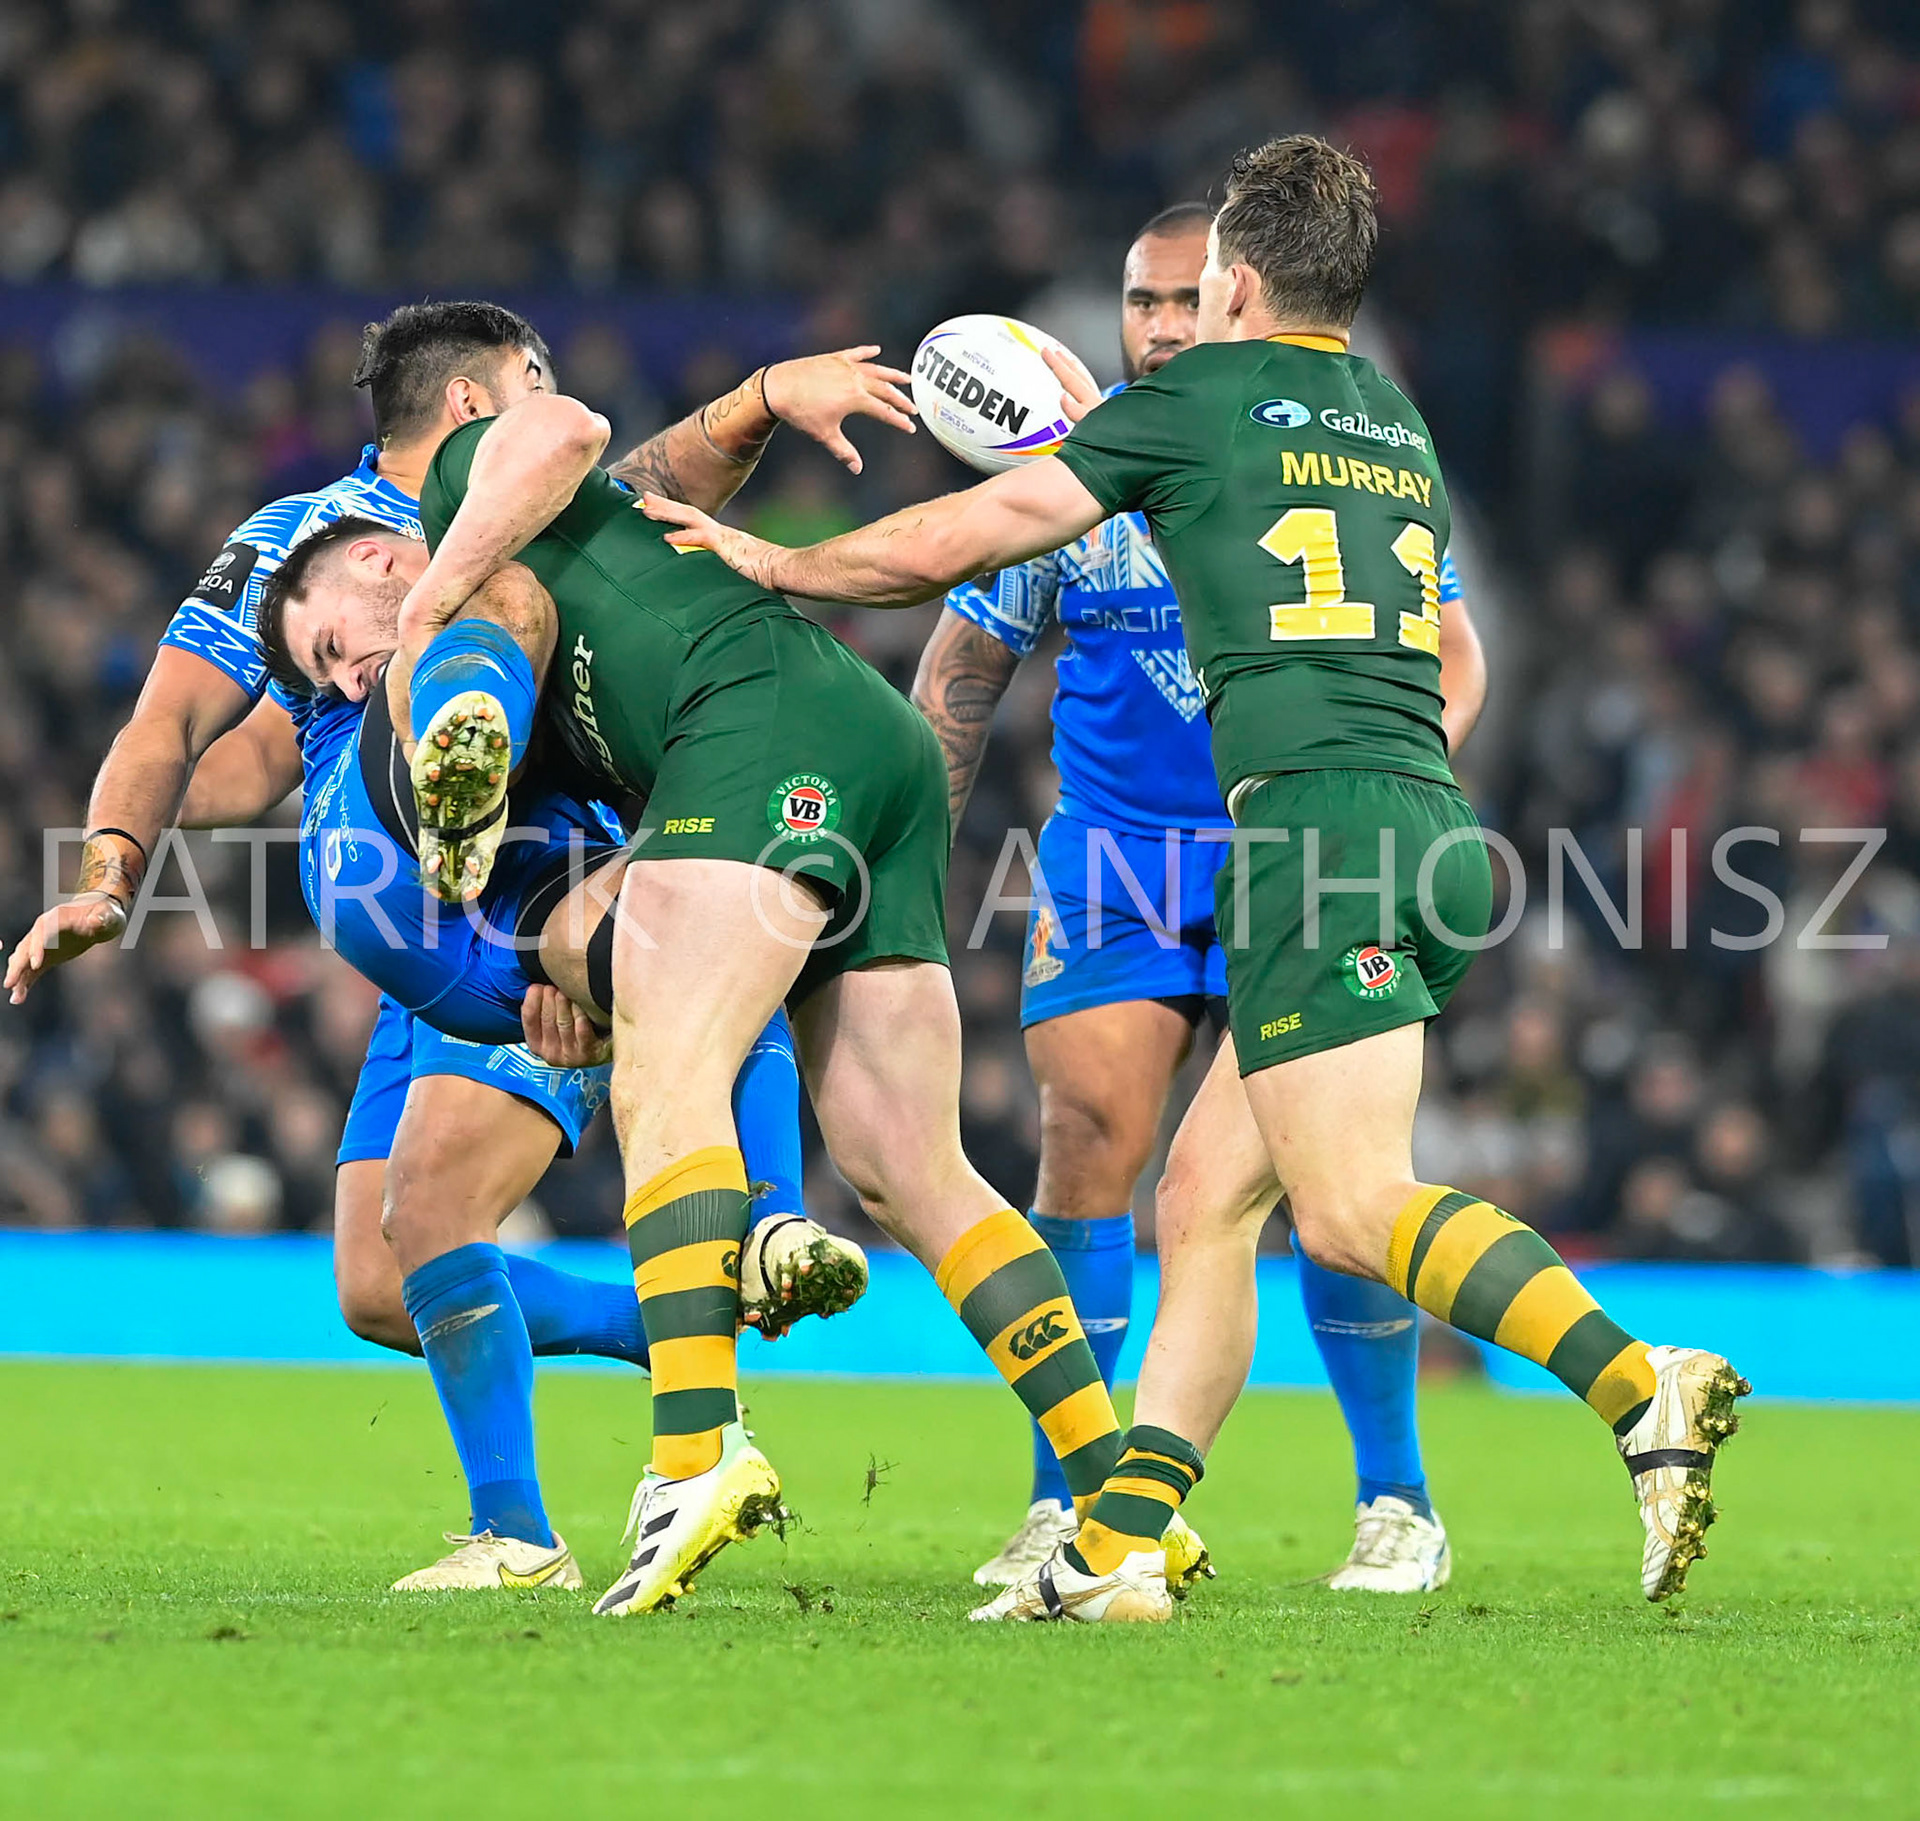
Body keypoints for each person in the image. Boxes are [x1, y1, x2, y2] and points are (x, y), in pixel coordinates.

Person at [642, 135, 1751, 1622]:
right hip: (1421, 818)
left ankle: (1636, 1383)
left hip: (1304, 838)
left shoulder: (1191, 404)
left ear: (1233, 280)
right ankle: (1118, 1545)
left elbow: (960, 537)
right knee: (1206, 1201)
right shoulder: (1396, 428)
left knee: (1355, 1209)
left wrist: (772, 564)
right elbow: (1444, 649)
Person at [260, 374, 1213, 1621]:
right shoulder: (509, 700)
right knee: (911, 1169)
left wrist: (438, 594)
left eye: (334, 642)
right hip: (874, 753)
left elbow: (565, 428)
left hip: (761, 725)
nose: (342, 682)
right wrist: (567, 964)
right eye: (323, 678)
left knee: (672, 1066)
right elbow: (580, 885)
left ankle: (695, 1458)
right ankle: (1121, 1506)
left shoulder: (466, 514)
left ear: (388, 555)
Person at [4, 302, 903, 1591]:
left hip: (538, 887)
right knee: (380, 1283)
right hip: (399, 905)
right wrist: (111, 864)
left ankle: (523, 1528)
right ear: (492, 396)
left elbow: (659, 479)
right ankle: (681, 1316)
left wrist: (759, 399)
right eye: (536, 380)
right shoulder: (298, 545)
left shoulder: (543, 502)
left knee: (434, 1207)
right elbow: (182, 735)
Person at [914, 200, 1478, 1593]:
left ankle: (1395, 1501)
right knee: (1087, 1148)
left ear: (1234, 300)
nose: (1159, 326)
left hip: (1292, 851)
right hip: (1114, 860)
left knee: (1327, 1185)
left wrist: (1371, 775)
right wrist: (904, 868)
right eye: (1137, 302)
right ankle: (1071, 1497)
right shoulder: (1077, 477)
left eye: (1182, 300)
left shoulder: (1308, 459)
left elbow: (1454, 656)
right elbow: (956, 682)